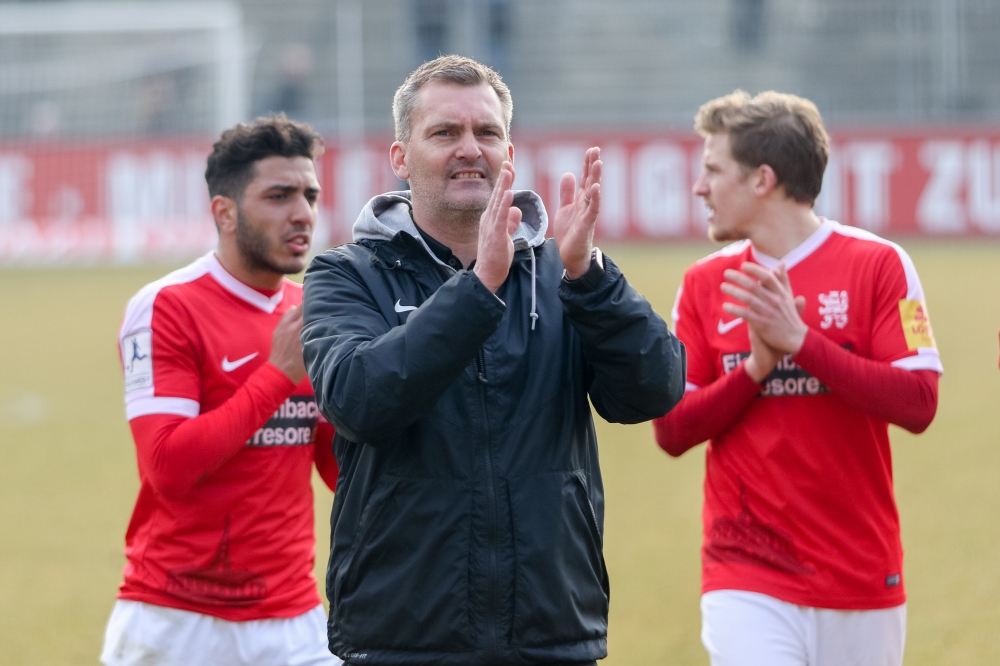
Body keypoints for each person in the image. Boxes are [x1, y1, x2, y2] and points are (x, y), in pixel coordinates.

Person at [300, 55, 686, 666]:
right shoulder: (347, 274)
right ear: (400, 157)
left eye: (486, 132)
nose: (469, 148)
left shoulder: (565, 273)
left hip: (550, 629)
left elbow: (654, 391)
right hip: (401, 634)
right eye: (444, 132)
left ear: (508, 152)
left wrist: (592, 280)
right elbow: (358, 400)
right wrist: (479, 288)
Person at [653, 90, 942, 666]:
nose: (700, 187)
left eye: (713, 170)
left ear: (763, 179)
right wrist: (756, 369)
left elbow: (919, 403)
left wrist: (802, 344)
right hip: (745, 573)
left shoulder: (880, 265)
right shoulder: (705, 284)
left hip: (860, 573)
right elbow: (673, 430)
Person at [102, 116, 342, 666]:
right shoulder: (167, 307)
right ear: (224, 212)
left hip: (294, 619)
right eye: (279, 196)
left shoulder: (312, 313)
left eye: (309, 195)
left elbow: (338, 466)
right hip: (177, 621)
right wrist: (278, 376)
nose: (302, 213)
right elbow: (168, 467)